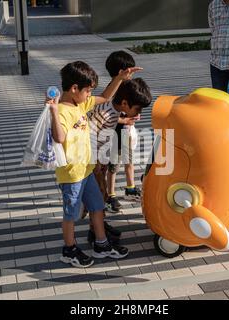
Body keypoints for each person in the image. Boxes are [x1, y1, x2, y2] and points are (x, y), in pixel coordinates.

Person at [48, 61, 141, 268]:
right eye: (88, 90)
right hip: (72, 175)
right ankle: (69, 249)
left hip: (87, 170)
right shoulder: (62, 110)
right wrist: (53, 111)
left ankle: (101, 245)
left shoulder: (80, 103)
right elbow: (58, 136)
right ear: (74, 89)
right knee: (71, 214)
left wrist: (119, 78)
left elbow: (106, 97)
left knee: (97, 206)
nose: (90, 95)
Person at [87, 77, 152, 245]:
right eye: (137, 109)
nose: (139, 114)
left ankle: (99, 225)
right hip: (90, 162)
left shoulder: (111, 108)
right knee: (98, 198)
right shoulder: (107, 116)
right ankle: (96, 233)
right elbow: (91, 137)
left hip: (96, 160)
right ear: (124, 103)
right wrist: (97, 166)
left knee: (101, 197)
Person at [105, 51, 144, 213]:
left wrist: (134, 114)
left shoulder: (128, 86)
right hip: (117, 136)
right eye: (129, 71)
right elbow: (108, 114)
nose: (131, 74)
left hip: (129, 133)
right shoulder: (112, 90)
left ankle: (130, 188)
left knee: (130, 162)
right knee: (113, 166)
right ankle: (110, 195)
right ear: (121, 71)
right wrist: (124, 120)